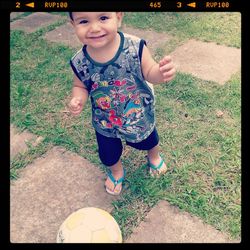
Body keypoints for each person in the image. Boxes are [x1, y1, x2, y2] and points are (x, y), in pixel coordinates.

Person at [68, 12, 176, 195]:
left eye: (103, 18)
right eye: (84, 21)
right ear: (73, 25)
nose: (94, 28)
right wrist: (78, 98)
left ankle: (154, 156)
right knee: (108, 153)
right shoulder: (81, 61)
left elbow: (149, 71)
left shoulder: (134, 47)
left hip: (136, 114)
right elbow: (80, 85)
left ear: (118, 17)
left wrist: (160, 72)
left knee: (148, 140)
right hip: (105, 119)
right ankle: (116, 171)